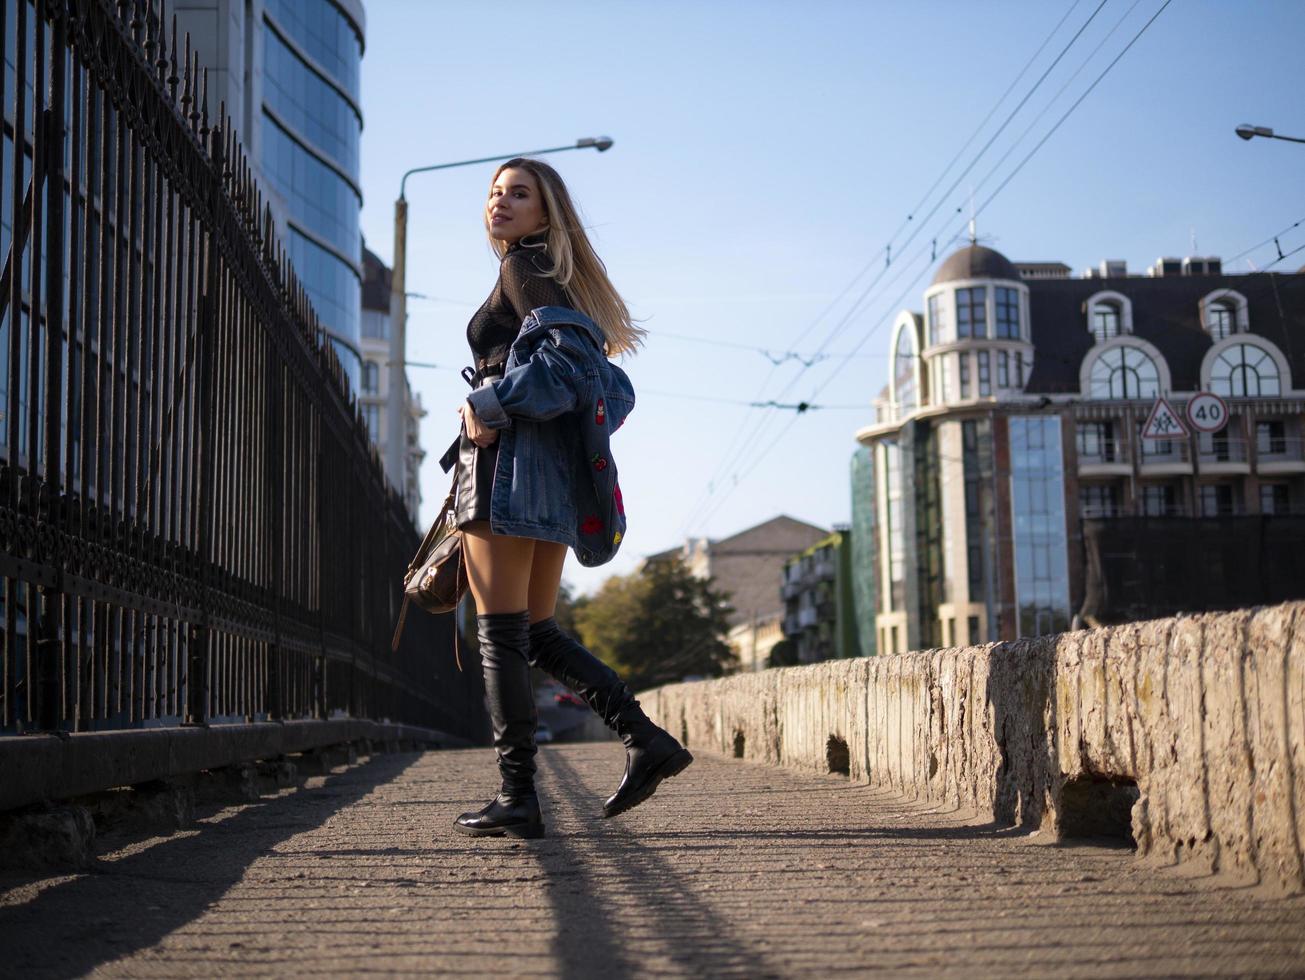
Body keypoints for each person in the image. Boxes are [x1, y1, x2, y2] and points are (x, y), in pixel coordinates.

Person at [448, 157, 692, 840]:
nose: (500, 201)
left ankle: (517, 795)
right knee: (534, 628)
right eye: (494, 192)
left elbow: (570, 366)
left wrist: (490, 399)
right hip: (549, 474)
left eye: (518, 193)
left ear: (546, 213)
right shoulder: (551, 276)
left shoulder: (523, 269)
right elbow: (599, 379)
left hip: (506, 468)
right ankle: (644, 738)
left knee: (498, 633)